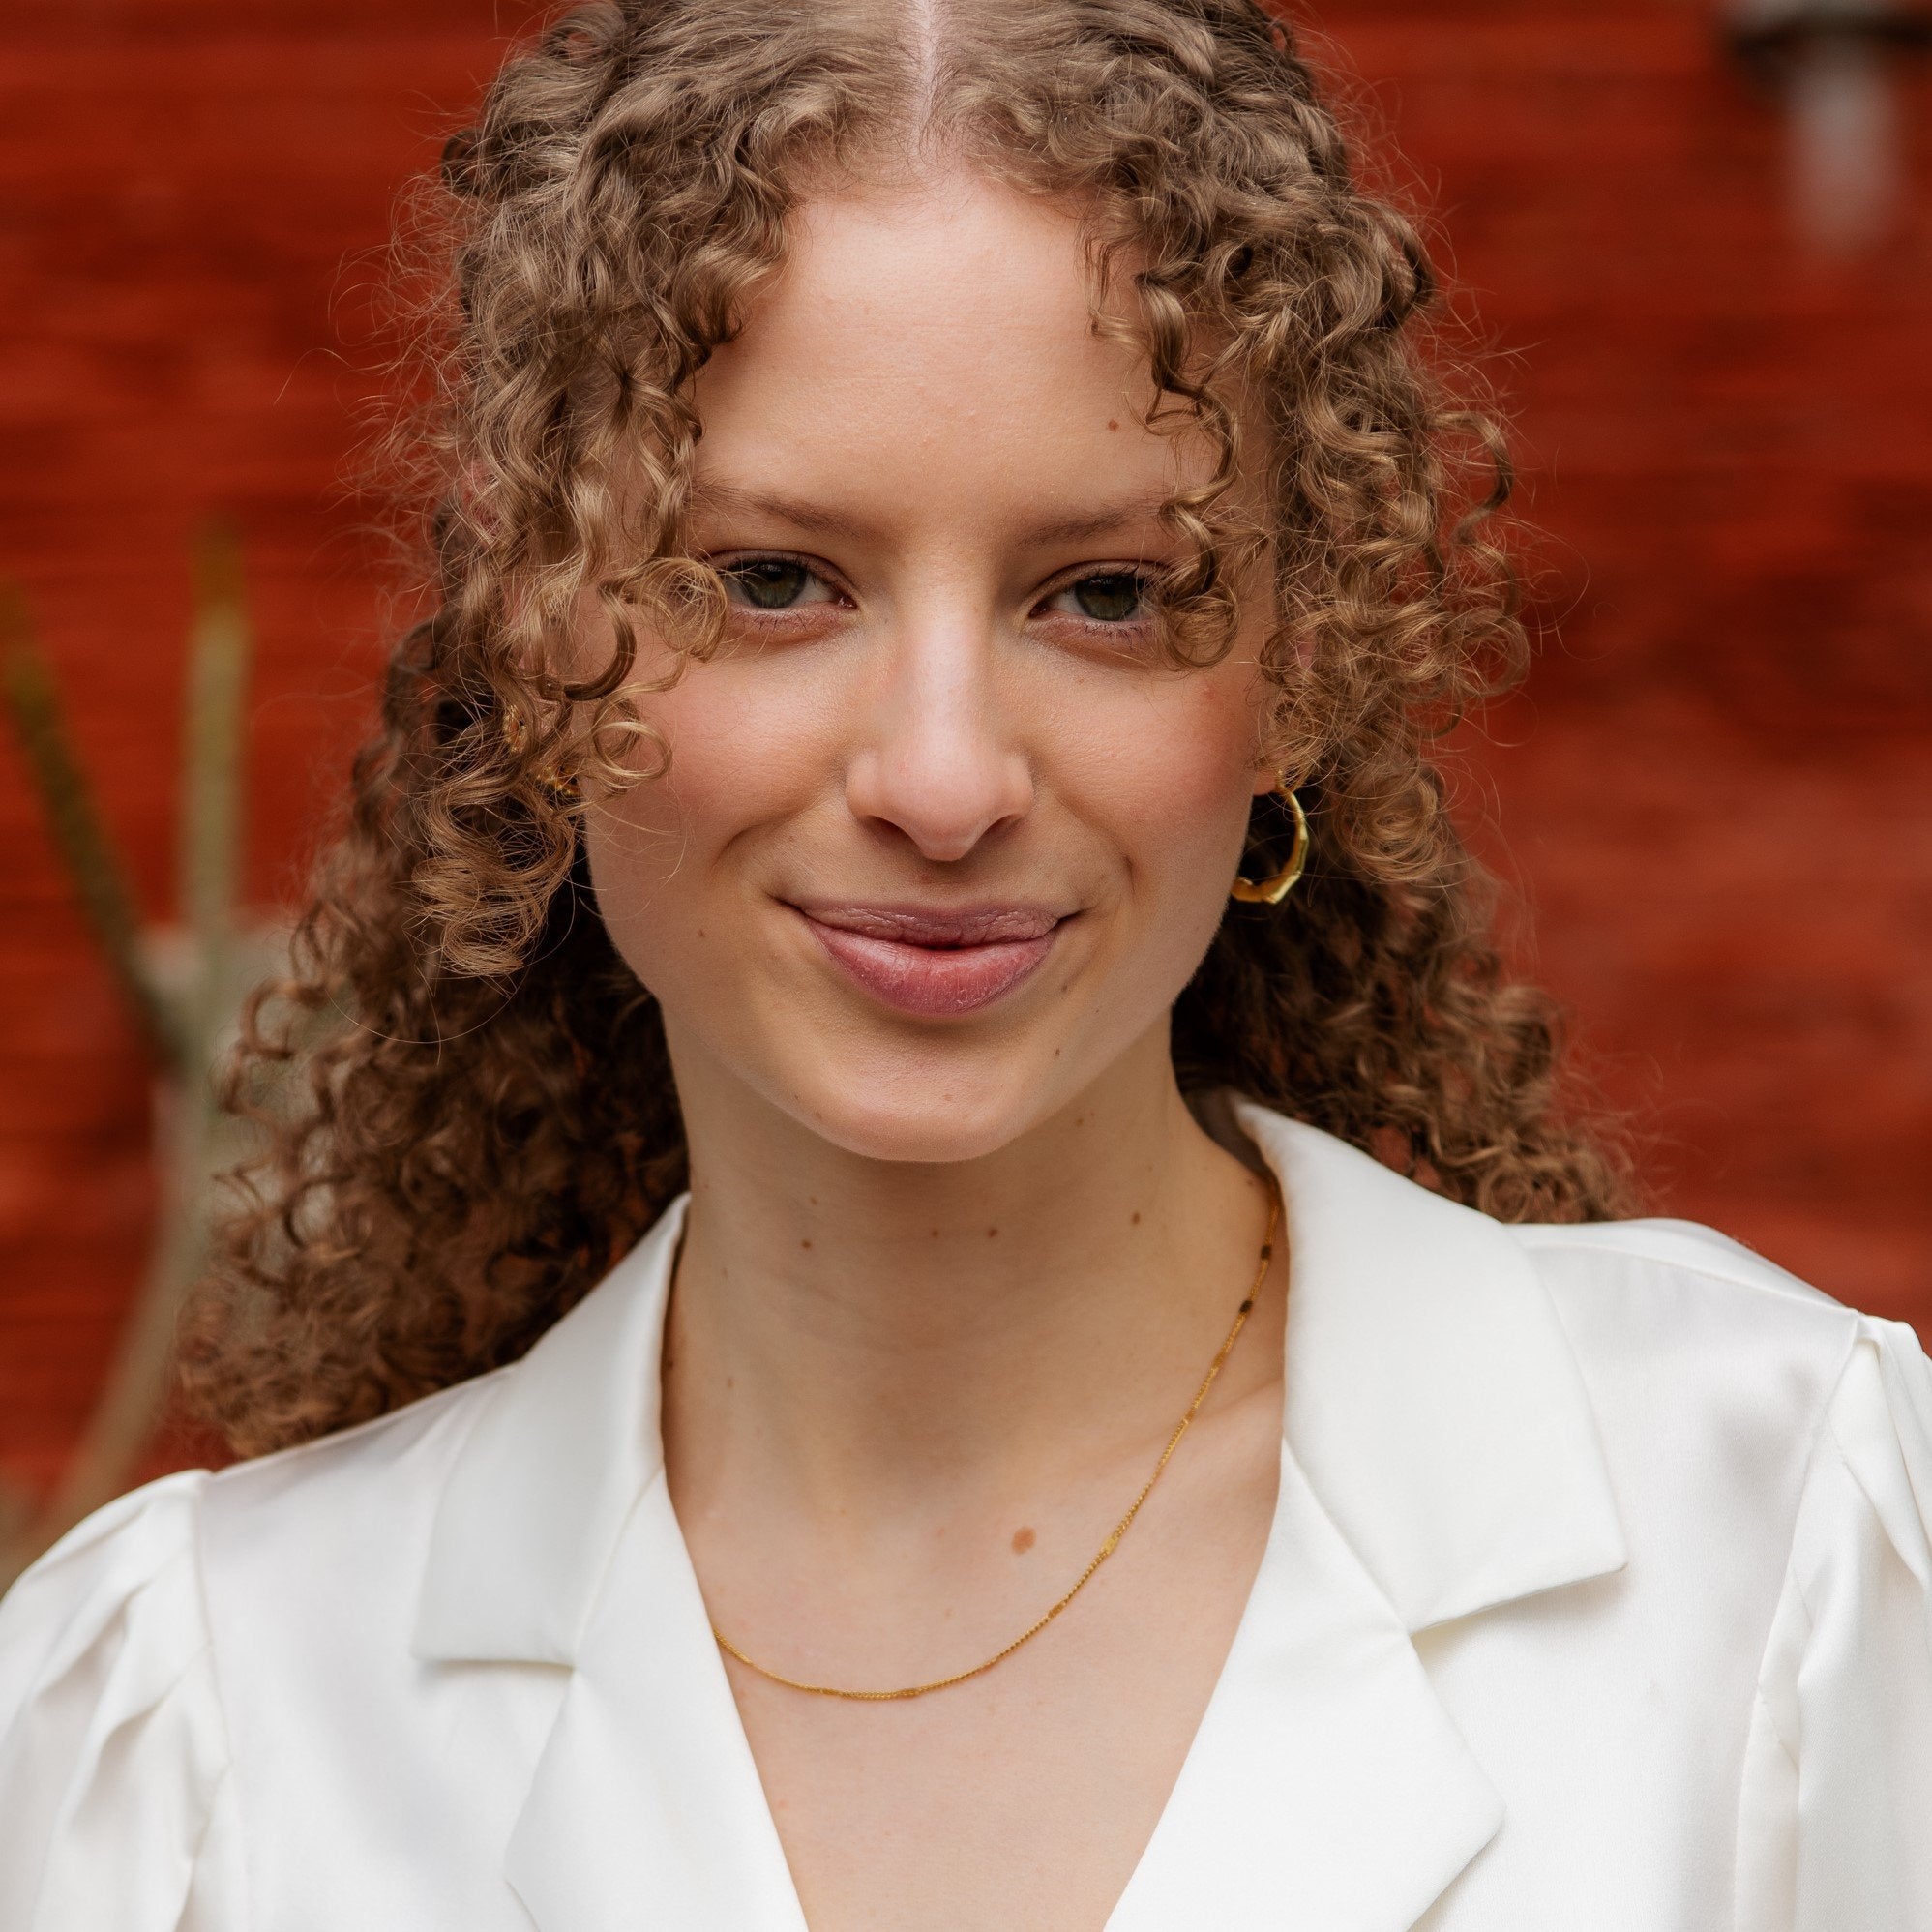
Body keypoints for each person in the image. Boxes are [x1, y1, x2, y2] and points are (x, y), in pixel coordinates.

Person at [3, 1, 1928, 1926]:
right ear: (537, 628)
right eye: (772, 580)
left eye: (1107, 595)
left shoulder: (1780, 1549)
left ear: (1299, 663)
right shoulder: (198, 1734)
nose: (942, 781)